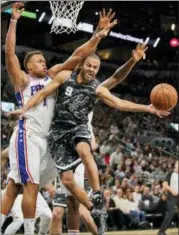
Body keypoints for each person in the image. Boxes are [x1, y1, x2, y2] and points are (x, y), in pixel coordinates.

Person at [21, 52, 170, 234]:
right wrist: (24, 108)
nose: (92, 69)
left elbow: (117, 88)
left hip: (80, 142)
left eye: (95, 67)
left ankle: (97, 205)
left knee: (72, 208)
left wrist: (133, 63)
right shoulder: (64, 78)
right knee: (63, 207)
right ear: (82, 64)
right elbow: (45, 89)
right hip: (58, 139)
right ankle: (97, 210)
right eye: (88, 65)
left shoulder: (96, 89)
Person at [1, 2, 117, 234]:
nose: (44, 61)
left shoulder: (54, 76)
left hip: (50, 141)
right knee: (30, 184)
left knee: (15, 185)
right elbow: (9, 52)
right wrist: (13, 20)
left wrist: (97, 36)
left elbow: (78, 55)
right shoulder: (23, 81)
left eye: (45, 59)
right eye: (39, 60)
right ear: (28, 66)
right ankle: (29, 229)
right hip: (29, 135)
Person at [157, 160, 179, 235]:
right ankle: (161, 231)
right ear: (175, 165)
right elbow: (164, 184)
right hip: (172, 195)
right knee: (171, 212)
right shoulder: (170, 173)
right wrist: (172, 190)